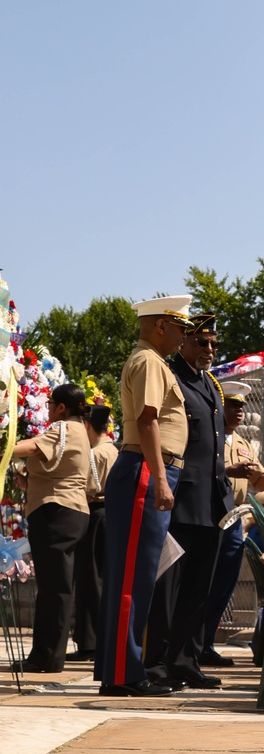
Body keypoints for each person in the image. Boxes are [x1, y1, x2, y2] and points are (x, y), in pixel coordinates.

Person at [93, 294, 191, 697]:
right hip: (146, 471)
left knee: (134, 577)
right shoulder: (150, 361)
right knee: (133, 579)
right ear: (161, 326)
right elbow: (148, 421)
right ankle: (124, 674)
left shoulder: (152, 361)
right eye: (182, 329)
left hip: (149, 471)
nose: (185, 336)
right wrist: (161, 479)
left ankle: (120, 670)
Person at [145, 314, 231, 690]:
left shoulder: (211, 384)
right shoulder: (169, 376)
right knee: (168, 587)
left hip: (211, 502)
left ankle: (186, 661)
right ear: (183, 341)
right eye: (201, 342)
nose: (209, 350)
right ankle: (156, 664)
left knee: (199, 588)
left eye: (213, 344)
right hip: (179, 499)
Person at [11, 382, 91, 672]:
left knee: (53, 589)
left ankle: (47, 657)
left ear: (61, 407)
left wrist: (5, 446)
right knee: (56, 587)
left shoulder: (64, 428)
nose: (47, 411)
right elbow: (58, 467)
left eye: (49, 405)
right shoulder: (80, 430)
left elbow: (31, 447)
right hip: (69, 511)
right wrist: (29, 480)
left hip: (56, 512)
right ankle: (46, 655)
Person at [201, 380, 264, 666]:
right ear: (219, 407)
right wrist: (227, 469)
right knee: (203, 581)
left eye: (242, 407)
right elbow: (197, 467)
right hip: (207, 514)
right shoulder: (209, 436)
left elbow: (260, 483)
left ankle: (205, 642)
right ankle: (191, 642)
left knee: (225, 581)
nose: (239, 412)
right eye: (232, 405)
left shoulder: (244, 444)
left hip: (233, 517)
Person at [70, 403, 118, 662]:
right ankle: (102, 640)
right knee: (103, 579)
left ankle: (89, 643)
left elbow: (88, 491)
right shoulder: (113, 449)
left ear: (87, 425)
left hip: (96, 514)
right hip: (112, 516)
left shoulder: (95, 454)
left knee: (90, 580)